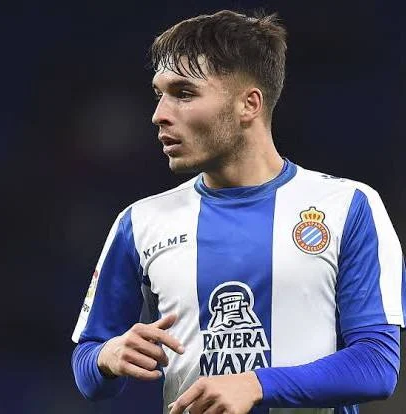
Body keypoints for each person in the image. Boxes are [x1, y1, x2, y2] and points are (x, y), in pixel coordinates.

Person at [71, 9, 405, 414]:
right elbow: (88, 368)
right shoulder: (140, 223)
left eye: (184, 93)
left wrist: (257, 384)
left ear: (249, 104)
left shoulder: (347, 207)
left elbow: (376, 364)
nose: (159, 114)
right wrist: (107, 355)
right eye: (159, 94)